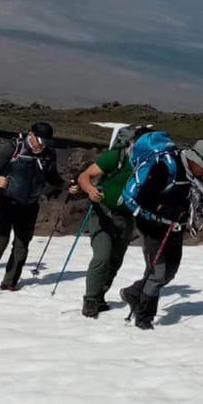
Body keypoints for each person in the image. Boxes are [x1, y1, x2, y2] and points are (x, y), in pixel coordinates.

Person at [120, 138, 203, 330]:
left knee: (169, 272)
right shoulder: (166, 168)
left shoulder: (197, 175)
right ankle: (144, 318)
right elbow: (143, 198)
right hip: (151, 224)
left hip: (175, 226)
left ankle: (133, 293)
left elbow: (197, 197)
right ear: (192, 160)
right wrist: (167, 211)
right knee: (157, 274)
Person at [0, 122, 76, 290]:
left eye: (46, 142)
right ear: (31, 135)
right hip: (7, 202)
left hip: (30, 205)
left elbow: (52, 177)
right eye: (40, 141)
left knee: (22, 246)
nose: (42, 145)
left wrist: (67, 186)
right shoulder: (13, 148)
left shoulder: (48, 153)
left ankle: (10, 282)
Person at [76, 126, 148, 317]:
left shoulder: (150, 164)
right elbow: (85, 176)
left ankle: (100, 295)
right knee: (102, 256)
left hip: (126, 217)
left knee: (115, 261)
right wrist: (90, 190)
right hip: (103, 212)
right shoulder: (117, 156)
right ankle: (90, 300)